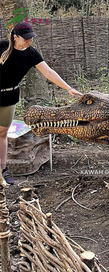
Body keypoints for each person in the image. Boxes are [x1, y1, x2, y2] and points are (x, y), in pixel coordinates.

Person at [0, 22, 82, 185]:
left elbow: (49, 72)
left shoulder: (31, 54)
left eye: (31, 38)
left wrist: (68, 88)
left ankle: (2, 170)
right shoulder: (2, 46)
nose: (29, 41)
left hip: (9, 97)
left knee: (2, 133)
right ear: (15, 37)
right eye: (26, 38)